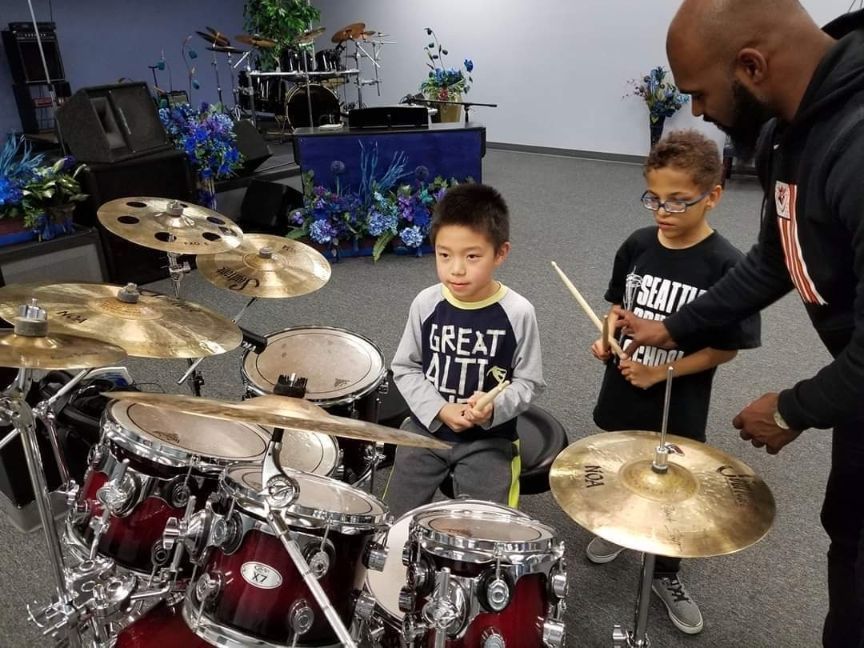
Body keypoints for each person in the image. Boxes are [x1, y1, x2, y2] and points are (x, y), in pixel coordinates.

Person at [615, 3, 864, 646]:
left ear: (751, 65)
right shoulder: (791, 129)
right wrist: (673, 329)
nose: (696, 111)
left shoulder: (857, 147)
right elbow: (776, 257)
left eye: (699, 93)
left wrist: (793, 408)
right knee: (850, 526)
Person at [588, 130, 760, 635]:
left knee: (672, 485)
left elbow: (725, 347)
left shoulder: (727, 266)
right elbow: (616, 311)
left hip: (678, 399)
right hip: (622, 384)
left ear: (713, 196)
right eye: (654, 199)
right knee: (619, 462)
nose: (663, 212)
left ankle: (666, 572)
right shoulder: (637, 245)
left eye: (679, 202)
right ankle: (621, 530)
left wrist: (660, 370)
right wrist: (607, 339)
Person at [384, 183, 545, 518]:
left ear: (501, 253)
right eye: (444, 255)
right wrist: (440, 409)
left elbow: (529, 382)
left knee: (488, 531)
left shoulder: (518, 312)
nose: (456, 269)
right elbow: (405, 367)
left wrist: (493, 408)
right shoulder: (426, 303)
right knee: (391, 522)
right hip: (425, 428)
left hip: (490, 438)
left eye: (472, 256)